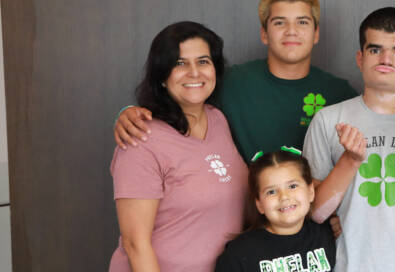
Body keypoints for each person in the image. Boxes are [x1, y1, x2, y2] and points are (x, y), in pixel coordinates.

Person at [113, 0, 358, 164]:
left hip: (308, 228)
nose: (291, 31)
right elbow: (176, 103)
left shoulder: (340, 93)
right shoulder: (231, 81)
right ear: (264, 33)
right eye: (279, 22)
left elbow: (356, 157)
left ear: (316, 34)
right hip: (238, 221)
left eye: (302, 22)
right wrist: (129, 112)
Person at [303, 7, 395, 271]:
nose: (386, 58)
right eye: (375, 49)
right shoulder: (328, 120)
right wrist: (350, 160)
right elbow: (316, 212)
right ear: (360, 58)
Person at [108, 21, 247, 271]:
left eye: (203, 61)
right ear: (161, 76)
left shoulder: (217, 119)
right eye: (179, 63)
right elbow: (134, 244)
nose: (194, 72)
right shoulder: (140, 138)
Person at [215, 148, 336, 272]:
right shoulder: (238, 254)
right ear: (259, 204)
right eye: (271, 192)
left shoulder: (326, 234)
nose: (284, 197)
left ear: (310, 191)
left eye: (292, 186)